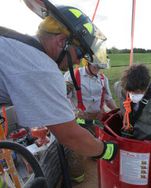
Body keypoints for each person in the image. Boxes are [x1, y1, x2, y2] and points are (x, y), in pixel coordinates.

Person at [0, 0, 117, 179]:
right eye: (79, 53)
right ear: (62, 41)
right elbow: (70, 136)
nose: (79, 62)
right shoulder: (42, 67)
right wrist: (107, 150)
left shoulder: (20, 46)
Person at [64, 56, 117, 127]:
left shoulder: (103, 79)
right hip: (79, 120)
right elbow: (63, 99)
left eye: (99, 67)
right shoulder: (72, 76)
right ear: (86, 62)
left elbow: (108, 99)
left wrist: (117, 111)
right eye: (95, 66)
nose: (97, 70)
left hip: (97, 120)